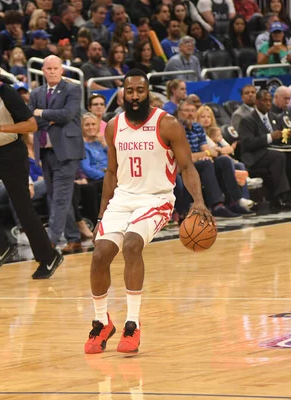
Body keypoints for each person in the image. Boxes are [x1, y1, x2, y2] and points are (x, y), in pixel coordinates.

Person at [84, 69, 214, 354]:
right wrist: (100, 216)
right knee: (100, 254)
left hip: (156, 199)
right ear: (122, 94)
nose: (133, 97)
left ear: (147, 92)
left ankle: (132, 323)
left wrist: (198, 201)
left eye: (139, 91)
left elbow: (187, 167)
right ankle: (101, 321)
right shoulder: (113, 126)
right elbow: (111, 172)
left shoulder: (167, 124)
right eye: (129, 92)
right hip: (122, 198)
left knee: (132, 245)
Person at [0, 56, 63, 278]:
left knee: (23, 209)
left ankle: (49, 256)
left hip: (12, 154)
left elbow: (32, 124)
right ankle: (3, 246)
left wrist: (0, 127)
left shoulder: (8, 94)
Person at [30, 55, 86, 255]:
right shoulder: (36, 92)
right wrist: (49, 117)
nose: (52, 71)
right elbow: (31, 118)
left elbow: (67, 114)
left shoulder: (72, 89)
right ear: (43, 71)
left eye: (56, 68)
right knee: (56, 196)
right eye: (48, 68)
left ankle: (49, 242)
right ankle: (73, 238)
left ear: (62, 70)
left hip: (67, 152)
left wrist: (42, 113)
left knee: (60, 198)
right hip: (45, 150)